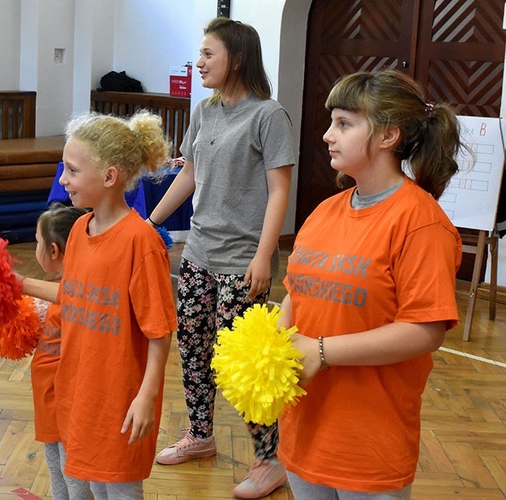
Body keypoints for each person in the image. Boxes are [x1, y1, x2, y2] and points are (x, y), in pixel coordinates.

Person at [278, 69, 463, 499]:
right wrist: (273, 347)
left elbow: (426, 328)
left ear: (387, 136)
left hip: (369, 445)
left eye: (344, 124)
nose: (328, 135)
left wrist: (320, 352)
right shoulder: (324, 211)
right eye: (332, 123)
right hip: (304, 433)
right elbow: (296, 292)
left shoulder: (422, 223)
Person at [147, 17, 294, 499]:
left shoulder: (269, 115)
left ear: (238, 58)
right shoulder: (204, 111)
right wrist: (151, 224)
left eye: (209, 53)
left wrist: (262, 257)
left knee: (243, 366)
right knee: (192, 350)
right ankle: (201, 436)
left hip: (242, 262)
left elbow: (279, 193)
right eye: (200, 53)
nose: (200, 62)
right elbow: (190, 174)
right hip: (199, 254)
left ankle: (269, 460)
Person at [20, 110, 177, 500]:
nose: (63, 180)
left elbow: (159, 331)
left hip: (121, 401)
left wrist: (146, 397)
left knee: (119, 489)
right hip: (79, 393)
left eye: (72, 171)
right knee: (87, 487)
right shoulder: (77, 229)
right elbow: (74, 298)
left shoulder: (141, 242)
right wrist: (20, 285)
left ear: (109, 177)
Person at [29, 203, 91, 500]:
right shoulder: (66, 288)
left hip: (65, 397)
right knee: (56, 464)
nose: (35, 249)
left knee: (71, 470)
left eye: (37, 242)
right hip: (48, 395)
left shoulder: (79, 291)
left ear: (54, 251)